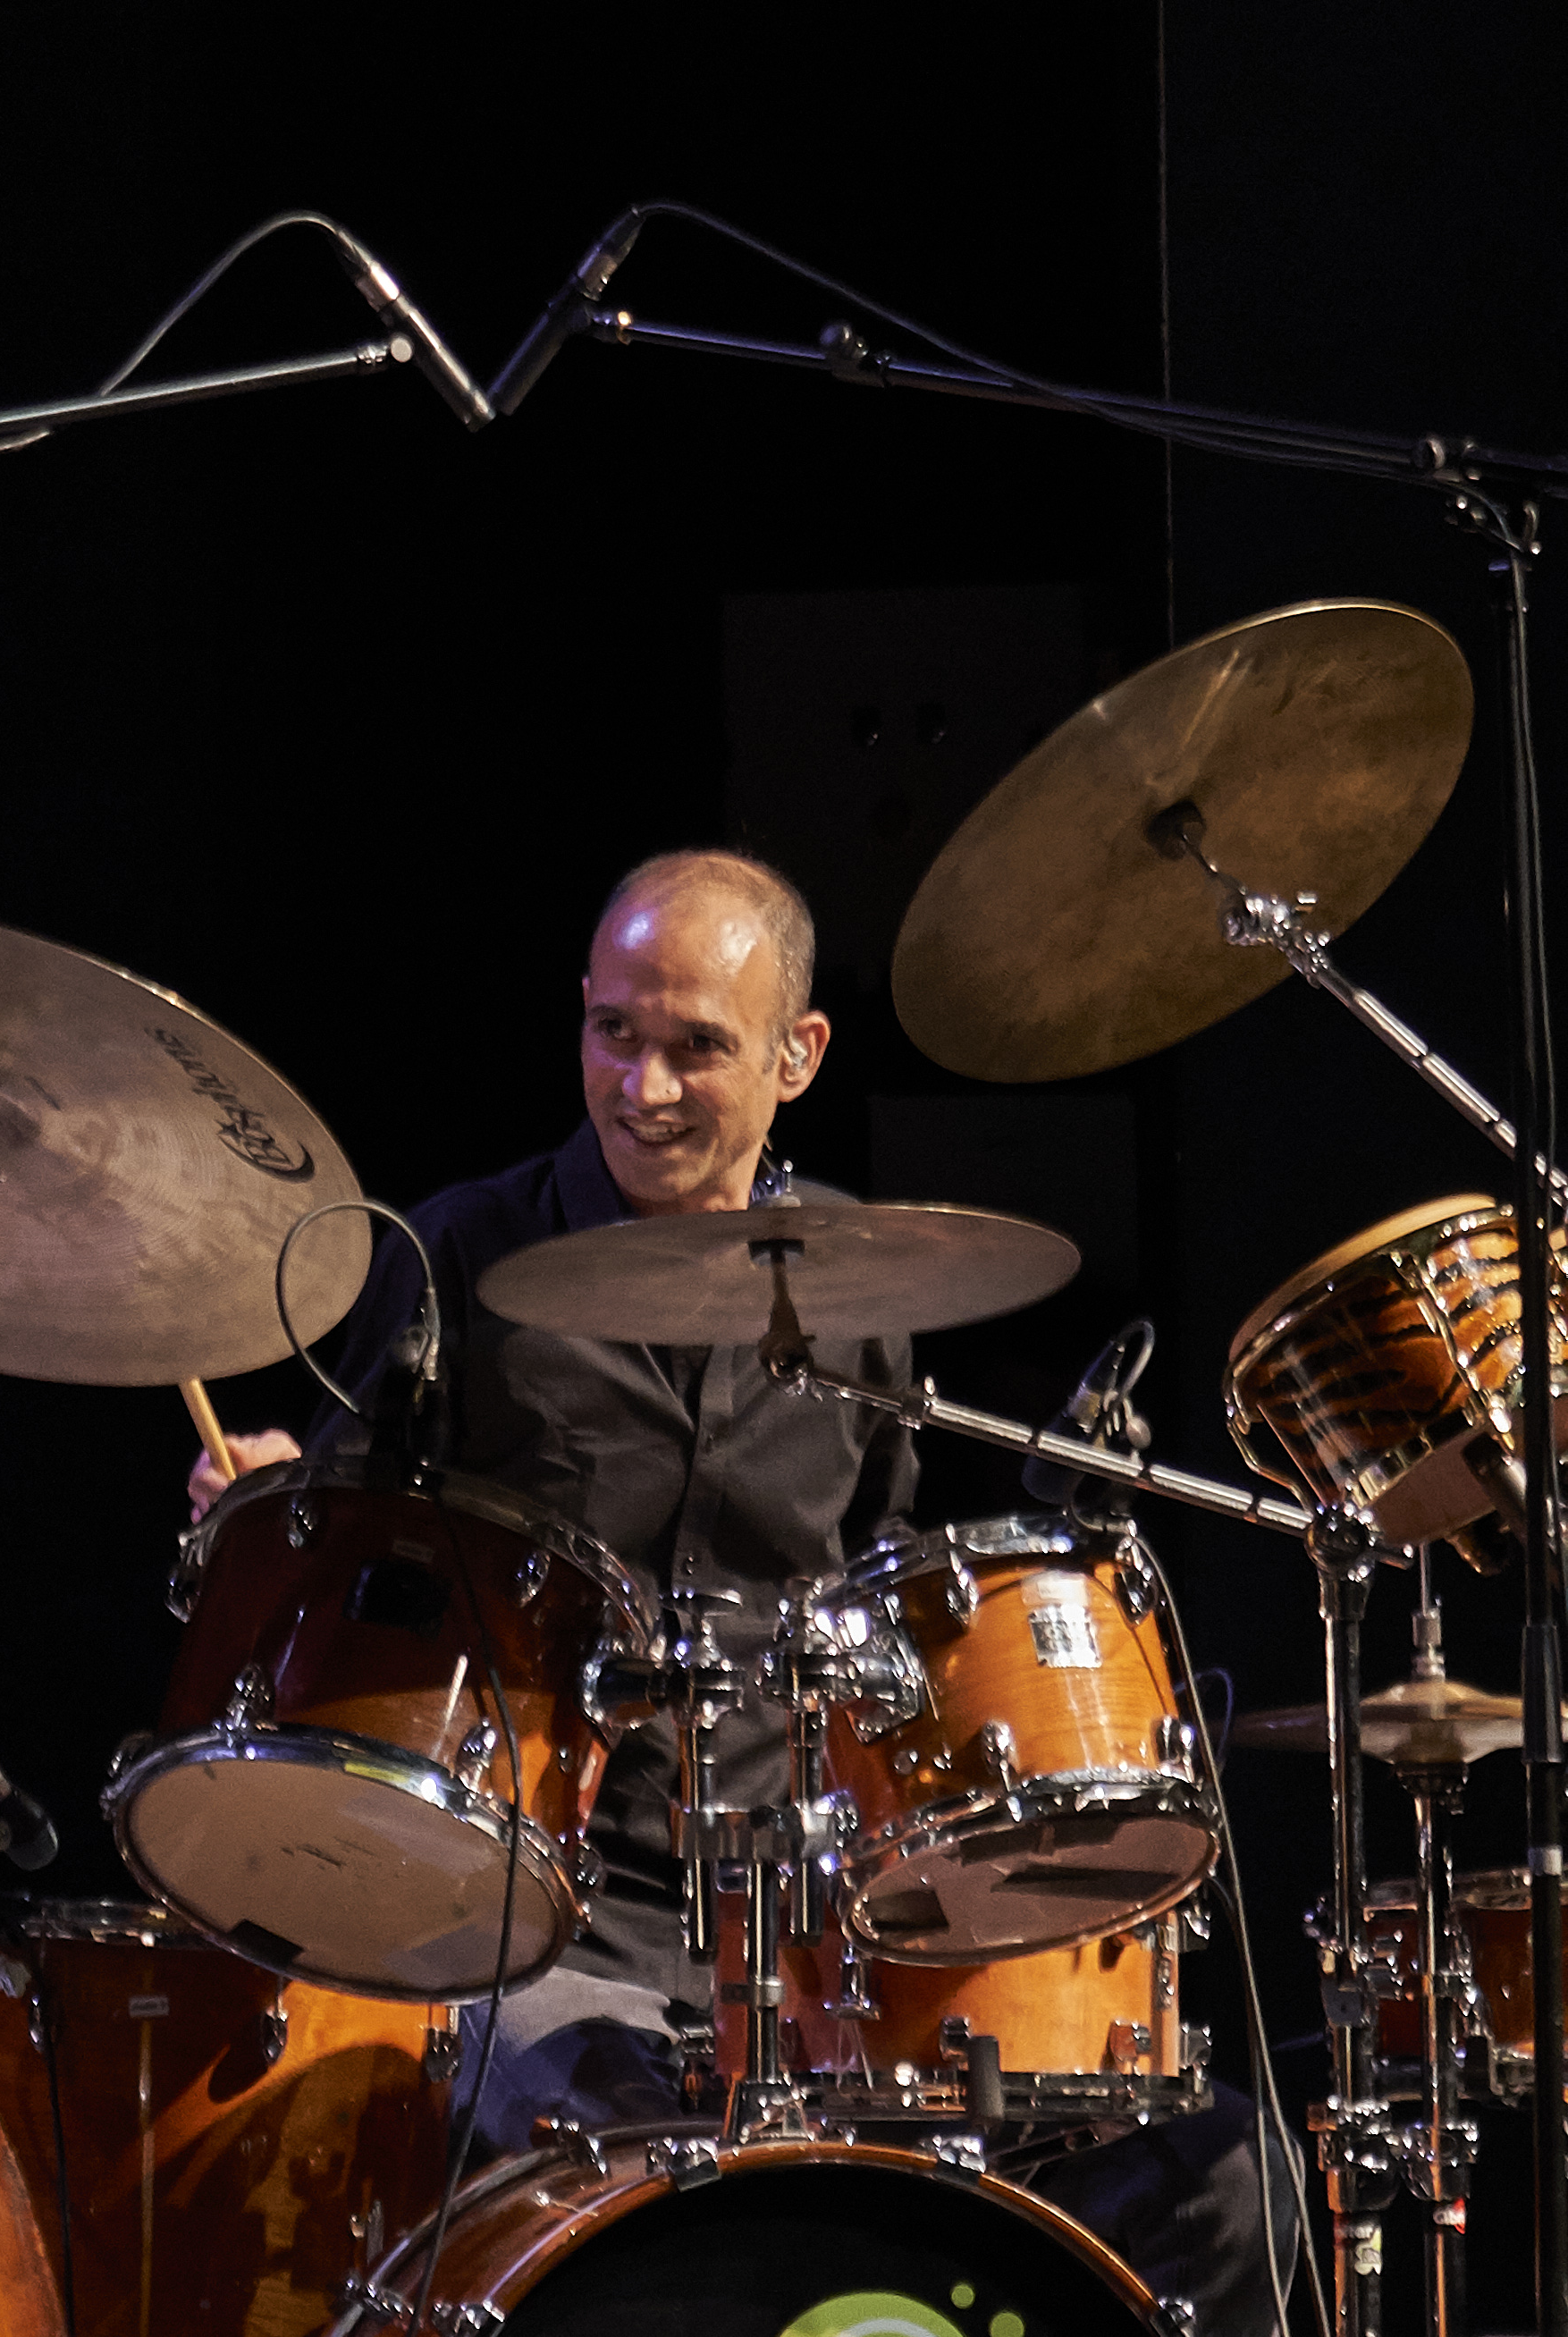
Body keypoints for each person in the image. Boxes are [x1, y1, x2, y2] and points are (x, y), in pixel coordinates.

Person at [189, 847, 1277, 2333]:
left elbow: (886, 1612)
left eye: (694, 1044)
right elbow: (341, 1570)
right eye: (612, 1031)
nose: (641, 1083)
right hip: (554, 1918)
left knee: (1224, 2173)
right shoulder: (459, 1258)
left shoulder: (862, 1297)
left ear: (796, 1055)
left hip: (827, 1936)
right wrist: (273, 1492)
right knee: (630, 2181)